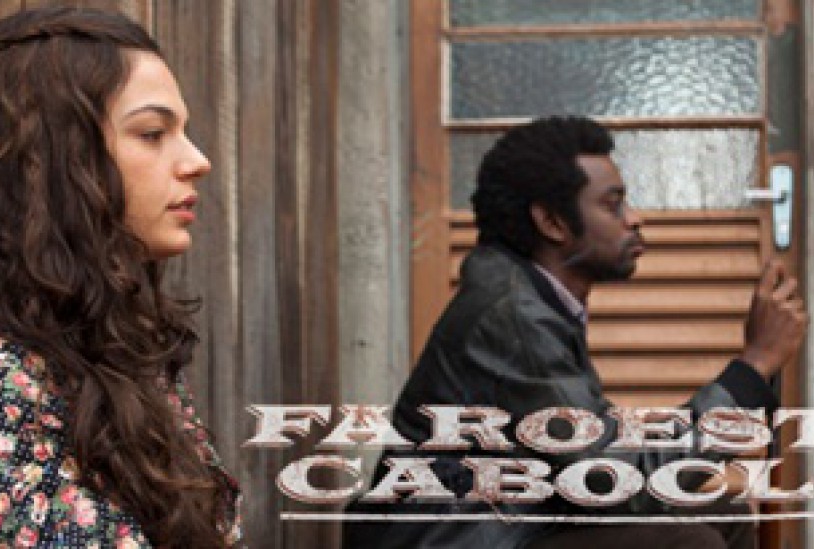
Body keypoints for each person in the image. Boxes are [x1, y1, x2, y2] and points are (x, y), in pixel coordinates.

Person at [343, 117, 807, 548]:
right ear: (552, 223)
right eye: (612, 204)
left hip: (511, 518)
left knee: (723, 512)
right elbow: (614, 480)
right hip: (452, 539)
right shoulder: (513, 317)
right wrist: (754, 366)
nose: (635, 219)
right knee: (688, 543)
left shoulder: (536, 296)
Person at [0, 7, 239, 547]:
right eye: (152, 133)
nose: (197, 160)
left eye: (184, 132)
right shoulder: (3, 386)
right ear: (53, 160)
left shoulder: (119, 355)